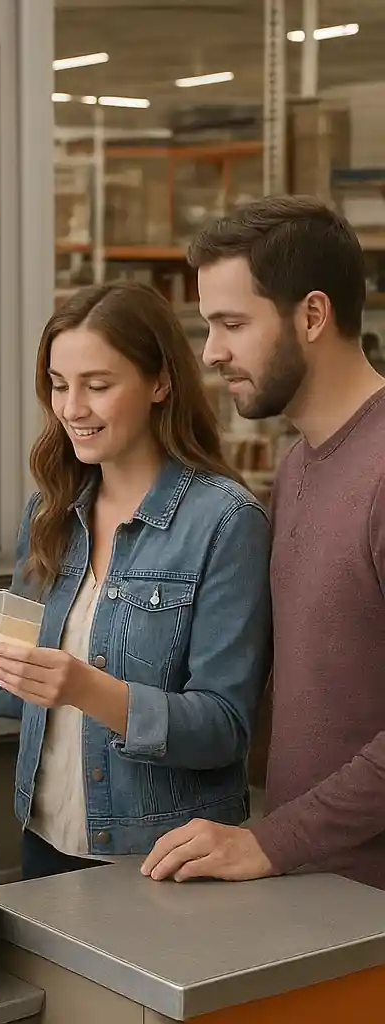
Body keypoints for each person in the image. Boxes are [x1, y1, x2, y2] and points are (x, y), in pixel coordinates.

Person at [0, 280, 272, 880]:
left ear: (160, 382)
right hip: (43, 838)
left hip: (162, 858)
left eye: (98, 385)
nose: (72, 409)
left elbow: (224, 728)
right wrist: (1, 667)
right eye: (59, 386)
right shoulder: (49, 511)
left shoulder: (225, 522)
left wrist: (85, 686)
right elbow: (14, 704)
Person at [142, 196, 385, 889]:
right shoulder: (300, 464)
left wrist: (275, 841)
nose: (212, 352)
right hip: (318, 896)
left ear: (312, 315)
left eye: (231, 324)